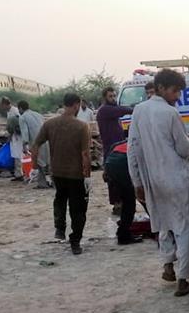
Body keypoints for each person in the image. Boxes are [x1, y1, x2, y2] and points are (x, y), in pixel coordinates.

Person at [127, 69, 189, 296]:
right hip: (175, 178)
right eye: (175, 91)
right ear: (161, 88)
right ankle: (183, 280)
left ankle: (167, 266)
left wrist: (137, 182)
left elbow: (132, 149)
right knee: (183, 227)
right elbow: (185, 150)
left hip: (152, 180)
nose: (177, 97)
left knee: (164, 222)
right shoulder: (170, 113)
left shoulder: (139, 111)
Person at [31, 93, 91, 255]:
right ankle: (75, 241)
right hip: (76, 174)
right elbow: (85, 154)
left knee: (60, 198)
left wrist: (34, 167)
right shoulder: (82, 126)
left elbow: (35, 145)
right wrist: (87, 176)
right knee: (78, 209)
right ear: (76, 105)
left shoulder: (49, 124)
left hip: (57, 172)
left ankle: (60, 228)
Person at [96, 86, 134, 213]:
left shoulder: (111, 111)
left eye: (114, 96)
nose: (113, 98)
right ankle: (117, 204)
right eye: (110, 96)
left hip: (117, 148)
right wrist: (137, 109)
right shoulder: (105, 110)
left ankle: (121, 202)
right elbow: (124, 110)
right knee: (113, 177)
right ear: (105, 98)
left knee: (120, 176)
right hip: (111, 149)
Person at [103, 139, 143, 245]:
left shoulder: (126, 141)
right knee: (130, 202)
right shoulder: (145, 143)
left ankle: (123, 229)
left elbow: (112, 147)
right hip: (122, 164)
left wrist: (105, 170)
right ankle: (123, 235)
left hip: (111, 164)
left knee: (126, 200)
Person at [18, 100, 50, 188]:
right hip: (46, 140)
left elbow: (25, 133)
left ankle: (42, 183)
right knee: (47, 162)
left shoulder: (23, 117)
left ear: (20, 108)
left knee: (38, 162)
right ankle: (51, 182)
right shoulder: (38, 114)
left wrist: (24, 146)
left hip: (36, 142)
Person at [1, 96, 24, 180]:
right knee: (15, 154)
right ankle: (18, 174)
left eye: (2, 105)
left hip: (18, 136)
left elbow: (17, 123)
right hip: (14, 136)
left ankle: (20, 174)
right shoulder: (9, 112)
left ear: (5, 104)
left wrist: (11, 134)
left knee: (18, 154)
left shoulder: (14, 111)